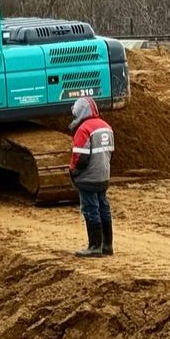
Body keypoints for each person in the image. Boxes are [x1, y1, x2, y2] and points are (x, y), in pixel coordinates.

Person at [69, 96, 114, 257]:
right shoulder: (106, 126)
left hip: (88, 177)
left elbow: (80, 159)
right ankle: (107, 245)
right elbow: (111, 153)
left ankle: (94, 246)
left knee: (90, 209)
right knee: (103, 208)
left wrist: (73, 172)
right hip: (103, 175)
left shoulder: (83, 129)